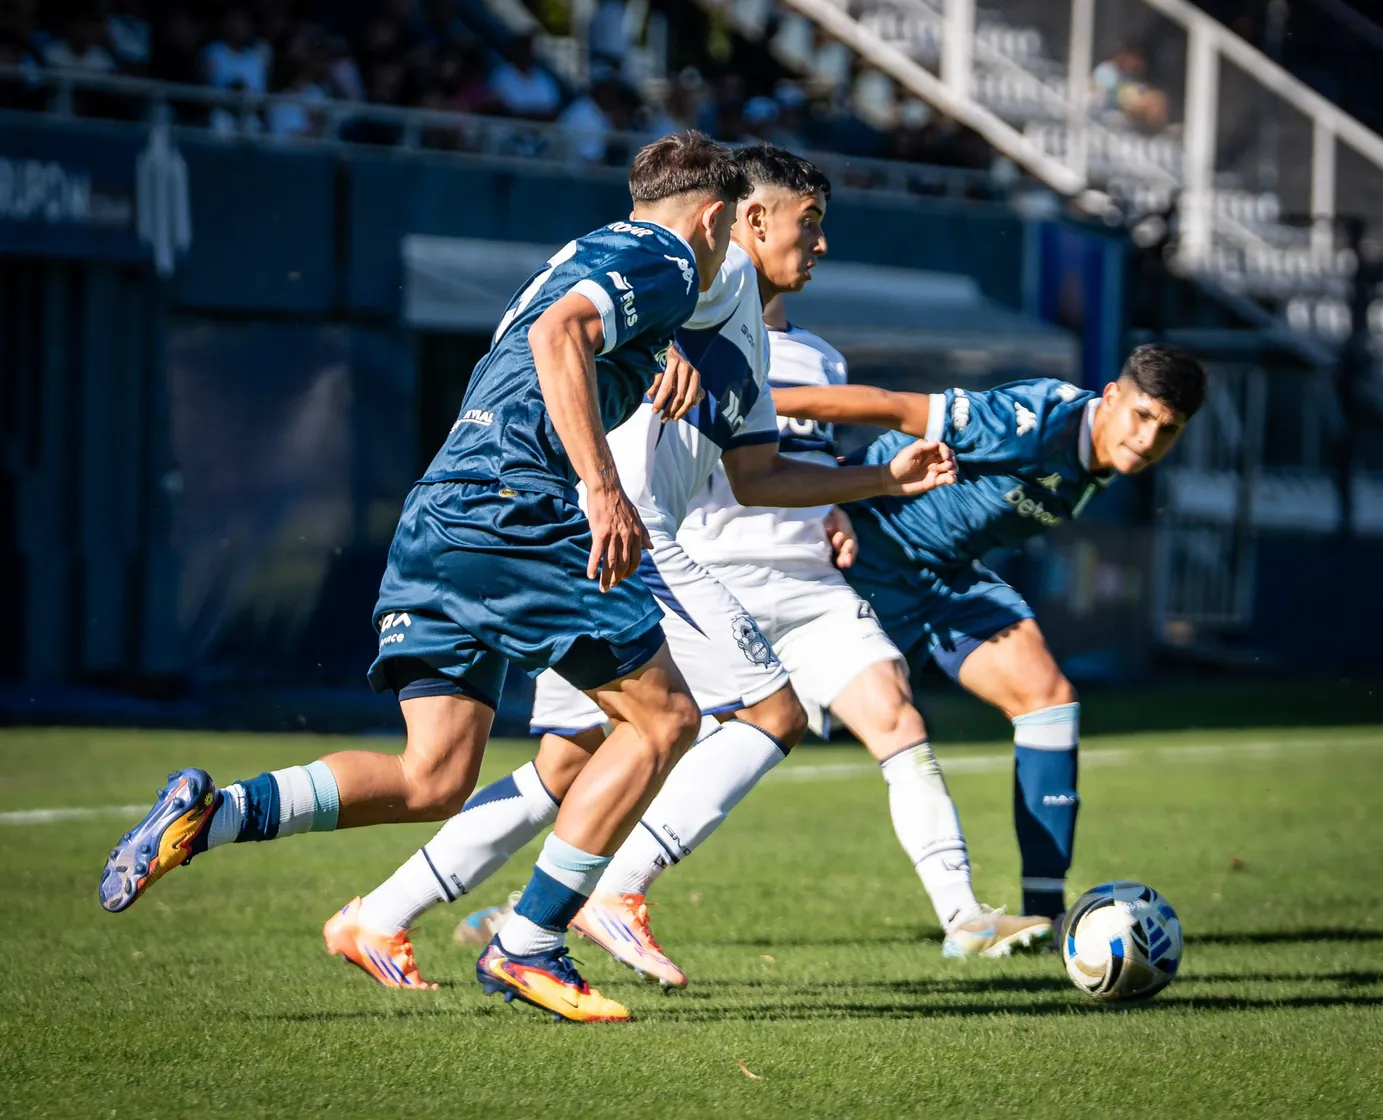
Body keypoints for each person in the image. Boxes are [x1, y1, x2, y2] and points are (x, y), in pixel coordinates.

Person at [98, 132, 750, 1024]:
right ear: (711, 219)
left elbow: (555, 330)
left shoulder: (588, 253)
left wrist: (652, 353)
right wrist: (603, 490)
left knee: (433, 775)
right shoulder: (669, 258)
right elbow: (561, 335)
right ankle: (530, 941)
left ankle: (213, 815)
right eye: (730, 233)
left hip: (440, 511)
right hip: (515, 507)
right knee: (664, 719)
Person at [339, 144, 956, 1000]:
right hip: (625, 528)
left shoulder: (752, 335)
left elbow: (759, 477)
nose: (820, 244)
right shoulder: (705, 269)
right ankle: (606, 895)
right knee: (770, 711)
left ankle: (380, 914)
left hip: (606, 536)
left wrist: (880, 480)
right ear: (744, 219)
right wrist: (658, 349)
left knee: (570, 764)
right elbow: (600, 300)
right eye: (808, 222)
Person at [457, 303, 1063, 983]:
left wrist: (836, 508)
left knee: (896, 716)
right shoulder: (684, 338)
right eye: (805, 239)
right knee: (584, 758)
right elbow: (674, 463)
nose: (817, 252)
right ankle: (532, 905)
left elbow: (795, 463)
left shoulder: (824, 355)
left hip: (808, 586)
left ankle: (963, 916)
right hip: (709, 577)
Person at [769, 344, 1207, 928]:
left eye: (1168, 429)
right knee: (756, 725)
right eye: (1142, 415)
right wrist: (758, 403)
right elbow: (888, 405)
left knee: (1047, 699)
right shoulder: (1032, 422)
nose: (1149, 438)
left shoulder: (1106, 458)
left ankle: (1047, 919)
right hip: (868, 556)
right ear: (1110, 397)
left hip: (944, 579)